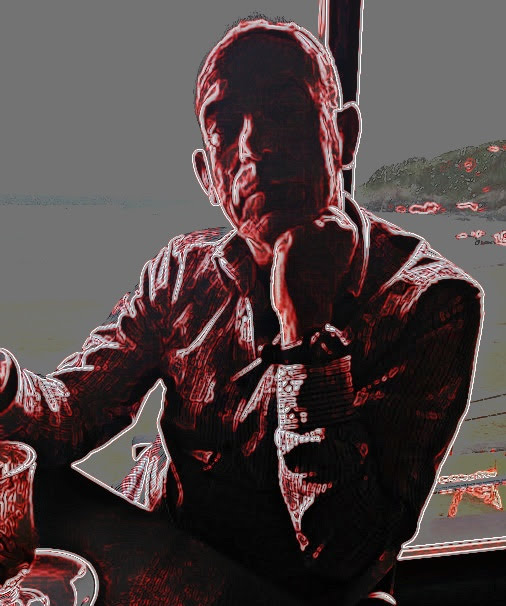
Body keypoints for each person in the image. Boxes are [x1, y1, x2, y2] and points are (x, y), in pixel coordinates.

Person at [0, 17, 482, 606]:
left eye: (285, 111)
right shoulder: (182, 270)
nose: (254, 146)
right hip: (151, 559)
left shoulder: (431, 302)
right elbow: (71, 417)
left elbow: (344, 550)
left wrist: (306, 340)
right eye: (225, 128)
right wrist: (3, 382)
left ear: (344, 136)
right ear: (208, 177)